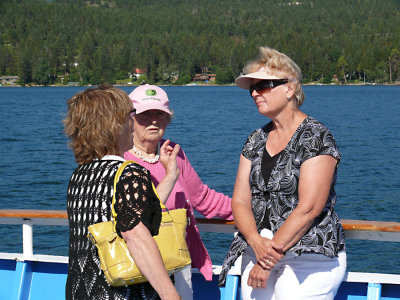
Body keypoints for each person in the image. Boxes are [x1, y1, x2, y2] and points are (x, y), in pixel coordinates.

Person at [219, 46, 346, 299]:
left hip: (309, 257)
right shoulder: (255, 140)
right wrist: (256, 242)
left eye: (264, 85)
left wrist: (267, 260)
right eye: (252, 88)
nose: (255, 93)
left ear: (290, 88)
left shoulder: (316, 137)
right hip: (258, 250)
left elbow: (309, 208)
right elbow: (240, 201)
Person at [64, 84, 182, 300]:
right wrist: (169, 293)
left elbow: (136, 210)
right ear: (115, 125)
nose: (133, 122)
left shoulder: (80, 176)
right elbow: (134, 233)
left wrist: (171, 176)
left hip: (80, 291)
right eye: (130, 116)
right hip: (121, 293)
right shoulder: (130, 173)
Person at [124, 84, 233, 299]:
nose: (154, 120)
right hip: (137, 261)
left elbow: (202, 198)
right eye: (145, 114)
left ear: (168, 119)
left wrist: (248, 210)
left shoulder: (173, 152)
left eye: (160, 114)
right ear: (130, 119)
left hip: (177, 258)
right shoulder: (121, 158)